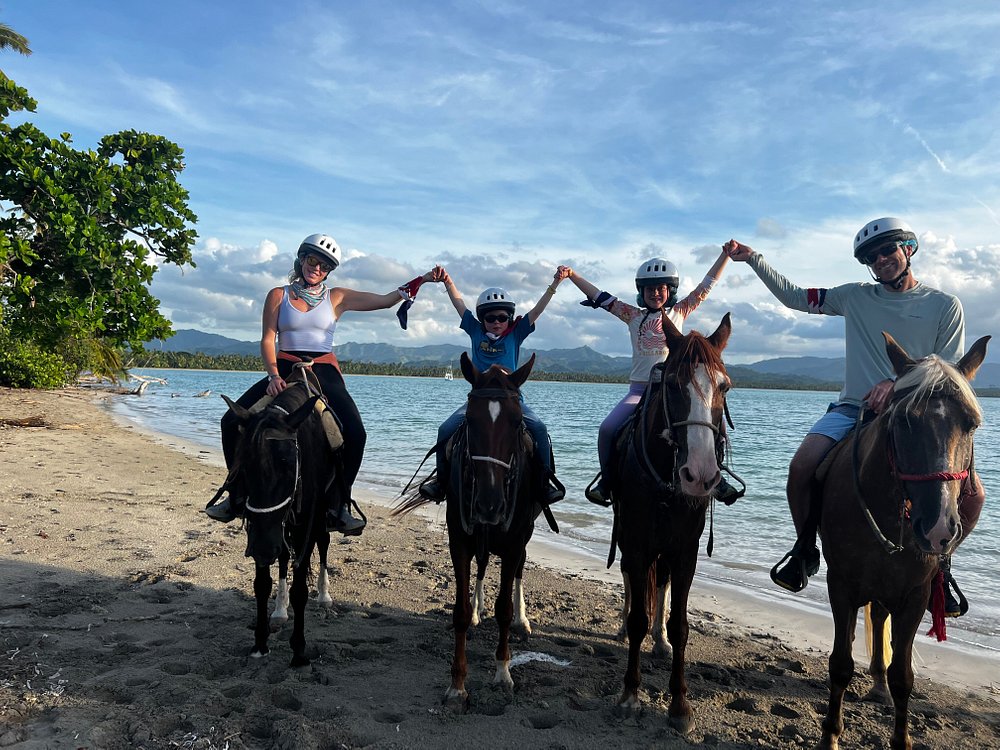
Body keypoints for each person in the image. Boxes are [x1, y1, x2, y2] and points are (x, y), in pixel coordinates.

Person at [725, 217, 985, 615]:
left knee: (975, 495)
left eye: (888, 250)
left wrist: (894, 383)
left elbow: (946, 369)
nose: (881, 260)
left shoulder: (945, 305)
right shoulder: (854, 297)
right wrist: (754, 259)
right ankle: (804, 549)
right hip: (853, 408)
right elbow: (796, 296)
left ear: (908, 250)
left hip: (922, 415)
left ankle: (941, 566)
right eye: (872, 256)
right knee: (802, 466)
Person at [206, 233, 444, 534]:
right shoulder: (278, 295)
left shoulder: (337, 297)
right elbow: (268, 338)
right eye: (311, 260)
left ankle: (340, 503)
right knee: (230, 420)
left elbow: (386, 300)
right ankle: (235, 494)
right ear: (301, 259)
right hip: (284, 366)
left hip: (324, 369)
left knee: (356, 433)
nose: (316, 268)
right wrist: (274, 375)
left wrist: (422, 279)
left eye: (323, 265)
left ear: (329, 271)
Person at [559, 249, 737, 505]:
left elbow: (705, 287)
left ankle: (718, 478)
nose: (655, 293)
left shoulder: (680, 311)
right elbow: (598, 295)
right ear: (641, 292)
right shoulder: (632, 315)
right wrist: (573, 275)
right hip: (639, 391)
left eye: (661, 288)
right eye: (650, 289)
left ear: (670, 291)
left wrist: (725, 256)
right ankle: (607, 480)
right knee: (607, 429)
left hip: (673, 390)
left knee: (715, 427)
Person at [418, 268, 566, 505]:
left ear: (509, 317)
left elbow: (537, 310)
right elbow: (459, 305)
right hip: (479, 399)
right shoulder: (475, 331)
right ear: (481, 319)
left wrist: (555, 284)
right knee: (445, 430)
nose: (497, 322)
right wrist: (448, 281)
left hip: (511, 399)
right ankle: (441, 482)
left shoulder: (516, 334)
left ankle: (543, 483)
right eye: (490, 318)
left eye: (502, 317)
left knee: (539, 429)